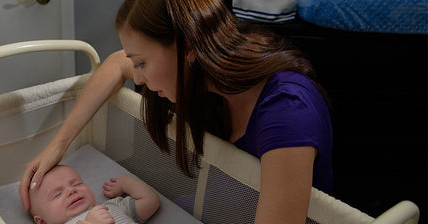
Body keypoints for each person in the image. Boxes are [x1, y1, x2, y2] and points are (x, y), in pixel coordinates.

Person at [20, 0, 333, 223]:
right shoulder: (204, 76)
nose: (137, 78)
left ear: (188, 49)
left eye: (141, 63)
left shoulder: (287, 111)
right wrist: (58, 146)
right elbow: (116, 64)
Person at [28, 165, 160, 224]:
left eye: (77, 184)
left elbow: (150, 201)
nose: (71, 191)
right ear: (42, 222)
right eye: (57, 194)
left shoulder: (112, 206)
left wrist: (126, 183)